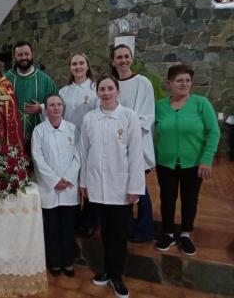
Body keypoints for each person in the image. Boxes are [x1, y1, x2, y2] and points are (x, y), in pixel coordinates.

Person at [79, 74, 144, 298]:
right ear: (97, 92)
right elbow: (84, 152)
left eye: (110, 88)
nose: (105, 92)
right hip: (97, 186)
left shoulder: (128, 116)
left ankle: (117, 276)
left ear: (117, 91)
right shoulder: (90, 118)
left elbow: (136, 154)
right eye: (102, 89)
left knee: (119, 234)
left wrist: (134, 187)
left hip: (121, 187)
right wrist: (84, 183)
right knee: (105, 232)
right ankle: (106, 270)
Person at [154, 64, 220, 256]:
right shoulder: (159, 107)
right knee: (167, 198)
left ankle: (185, 233)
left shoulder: (201, 104)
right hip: (165, 163)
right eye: (179, 80)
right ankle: (167, 232)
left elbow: (214, 132)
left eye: (188, 80)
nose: (184, 84)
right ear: (169, 83)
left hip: (193, 164)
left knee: (190, 200)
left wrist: (206, 159)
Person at [31, 94, 80, 278]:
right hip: (49, 188)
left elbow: (78, 156)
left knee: (68, 228)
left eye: (59, 104)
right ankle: (54, 262)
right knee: (51, 228)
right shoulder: (39, 131)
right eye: (52, 105)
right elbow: (38, 158)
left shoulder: (73, 129)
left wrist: (67, 178)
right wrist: (54, 180)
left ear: (63, 107)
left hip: (68, 188)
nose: (56, 108)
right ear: (47, 108)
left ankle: (68, 261)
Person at [110, 44, 155, 242]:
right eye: (119, 57)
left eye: (126, 56)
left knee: (140, 188)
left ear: (132, 58)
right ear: (113, 61)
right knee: (121, 188)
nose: (123, 60)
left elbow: (147, 115)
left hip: (136, 144)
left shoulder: (143, 83)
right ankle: (126, 227)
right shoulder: (112, 84)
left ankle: (145, 229)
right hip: (116, 146)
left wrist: (126, 135)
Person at [59, 53, 98, 237]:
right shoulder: (64, 91)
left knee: (89, 179)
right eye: (74, 64)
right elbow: (57, 112)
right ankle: (73, 217)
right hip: (69, 141)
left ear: (87, 66)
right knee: (73, 179)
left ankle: (90, 220)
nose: (78, 66)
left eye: (81, 63)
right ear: (70, 68)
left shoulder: (96, 88)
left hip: (90, 141)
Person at [5, 41, 57, 153]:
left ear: (32, 54)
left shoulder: (45, 80)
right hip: (11, 138)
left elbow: (57, 105)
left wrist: (42, 108)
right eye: (20, 55)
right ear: (14, 57)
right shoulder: (5, 80)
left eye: (26, 54)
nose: (24, 57)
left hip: (40, 139)